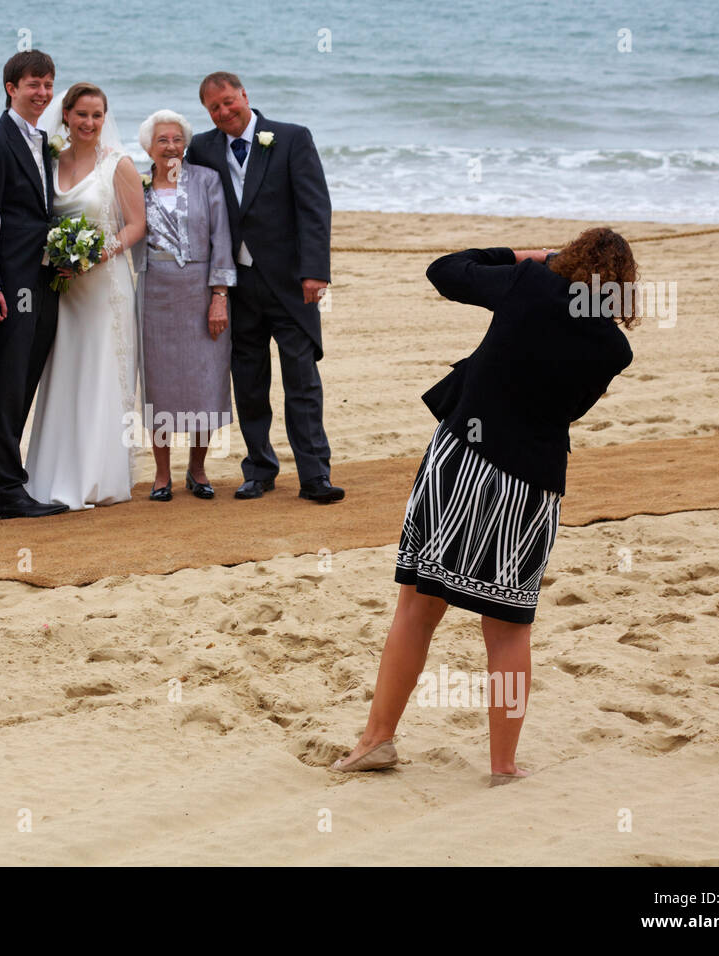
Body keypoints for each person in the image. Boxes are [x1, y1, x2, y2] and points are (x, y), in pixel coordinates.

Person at [330, 228, 638, 782]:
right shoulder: (616, 350)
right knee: (509, 628)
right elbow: (569, 411)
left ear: (565, 259)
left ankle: (377, 740)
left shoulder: (530, 282)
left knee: (417, 610)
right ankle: (503, 765)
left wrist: (524, 256)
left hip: (463, 461)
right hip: (532, 484)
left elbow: (446, 268)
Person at [186, 72, 343, 504]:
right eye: (214, 108)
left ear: (244, 96)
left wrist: (316, 271)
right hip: (237, 286)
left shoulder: (292, 138)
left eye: (228, 102)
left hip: (291, 284)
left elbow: (315, 208)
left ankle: (315, 475)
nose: (224, 112)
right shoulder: (202, 147)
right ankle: (259, 470)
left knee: (302, 380)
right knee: (249, 383)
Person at [23, 83, 146, 510]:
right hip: (62, 287)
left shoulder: (119, 165)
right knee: (63, 373)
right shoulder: (51, 159)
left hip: (104, 287)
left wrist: (96, 255)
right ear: (67, 116)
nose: (89, 123)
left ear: (105, 118)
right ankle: (50, 474)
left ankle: (97, 477)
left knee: (99, 372)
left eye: (97, 115)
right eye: (81, 115)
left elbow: (135, 225)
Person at [0, 50, 69, 520]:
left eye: (48, 84)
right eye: (33, 84)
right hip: (11, 283)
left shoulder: (43, 138)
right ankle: (7, 491)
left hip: (42, 276)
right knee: (7, 381)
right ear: (11, 88)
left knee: (23, 378)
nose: (42, 93)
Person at [133, 109, 236, 501]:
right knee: (158, 384)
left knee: (204, 381)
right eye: (162, 140)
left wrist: (219, 297)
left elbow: (221, 239)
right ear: (149, 146)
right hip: (154, 292)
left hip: (199, 291)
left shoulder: (207, 181)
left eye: (177, 139)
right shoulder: (138, 184)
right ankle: (162, 474)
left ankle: (197, 467)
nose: (171, 147)